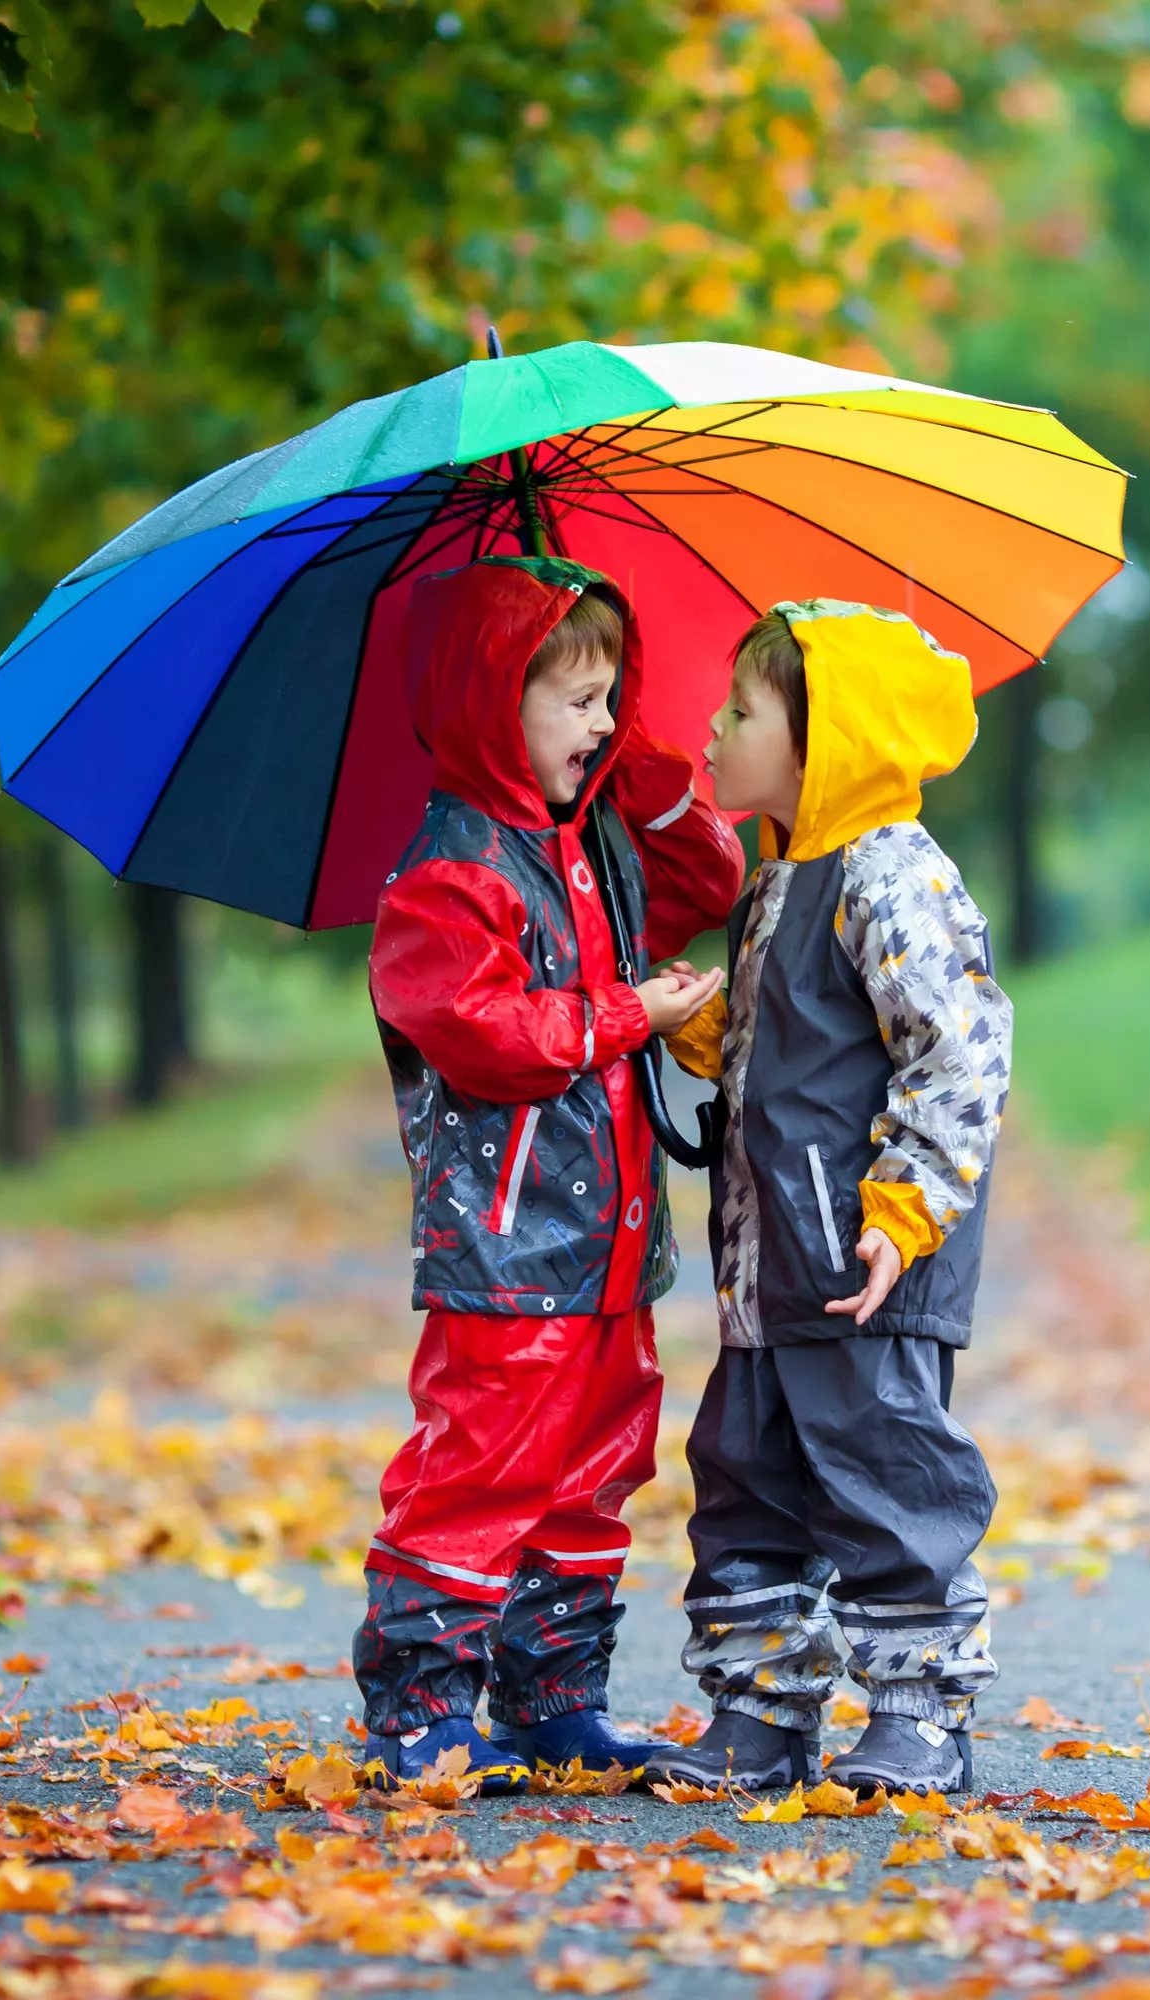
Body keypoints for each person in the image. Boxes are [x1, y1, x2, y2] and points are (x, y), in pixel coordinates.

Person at [352, 553, 740, 1791]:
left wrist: (629, 764)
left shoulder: (595, 835)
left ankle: (552, 1693)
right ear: (490, 699)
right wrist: (623, 1011)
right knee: (483, 1466)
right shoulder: (448, 873)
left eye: (613, 693)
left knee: (596, 1468)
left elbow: (709, 877)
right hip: (508, 1245)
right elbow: (482, 1034)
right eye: (578, 698)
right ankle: (422, 1706)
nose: (605, 718)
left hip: (611, 1241)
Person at [641, 600, 1013, 1796]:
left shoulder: (891, 873)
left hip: (864, 1265)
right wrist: (701, 1024)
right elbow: (788, 1046)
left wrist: (901, 1214)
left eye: (741, 710)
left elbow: (957, 1052)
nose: (714, 724)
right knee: (746, 1482)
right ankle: (761, 1715)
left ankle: (920, 1715)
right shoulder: (782, 878)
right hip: (768, 1272)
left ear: (826, 741)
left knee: (888, 1481)